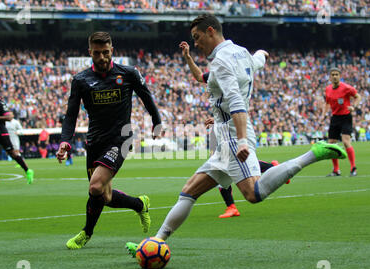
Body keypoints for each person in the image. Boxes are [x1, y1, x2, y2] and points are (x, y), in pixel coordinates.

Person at [126, 14, 347, 256]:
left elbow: (235, 101)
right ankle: (155, 242)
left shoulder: (221, 61)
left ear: (211, 31)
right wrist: (262, 53)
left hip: (232, 134)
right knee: (189, 191)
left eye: (197, 38)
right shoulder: (240, 53)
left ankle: (311, 155)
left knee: (253, 193)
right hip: (226, 131)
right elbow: (248, 65)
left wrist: (240, 139)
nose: (196, 43)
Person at [57, 31, 162, 250]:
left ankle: (86, 233)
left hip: (120, 139)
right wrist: (65, 141)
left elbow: (146, 97)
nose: (102, 57)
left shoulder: (129, 73)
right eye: (97, 53)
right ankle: (139, 203)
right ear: (90, 52)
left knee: (95, 186)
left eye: (106, 52)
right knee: (104, 196)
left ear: (112, 50)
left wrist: (157, 122)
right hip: (94, 142)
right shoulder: (81, 80)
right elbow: (71, 115)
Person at [180, 40, 285, 218]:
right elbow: (199, 77)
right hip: (226, 125)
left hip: (235, 128)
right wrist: (188, 58)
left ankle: (278, 170)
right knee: (225, 167)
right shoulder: (236, 66)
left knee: (248, 187)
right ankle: (271, 170)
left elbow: (235, 101)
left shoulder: (226, 71)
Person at [0, 88, 34, 186]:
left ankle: (28, 171)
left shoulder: (1, 104)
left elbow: (9, 117)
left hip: (2, 134)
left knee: (12, 154)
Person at [321, 67, 362, 177]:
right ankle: (336, 170)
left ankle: (353, 168)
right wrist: (323, 114)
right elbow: (327, 103)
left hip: (345, 117)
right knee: (331, 143)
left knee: (345, 141)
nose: (334, 76)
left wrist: (354, 107)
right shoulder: (328, 89)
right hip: (335, 118)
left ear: (340, 76)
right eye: (333, 74)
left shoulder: (346, 88)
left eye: (336, 74)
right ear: (330, 77)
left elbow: (358, 97)